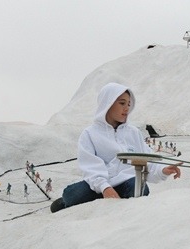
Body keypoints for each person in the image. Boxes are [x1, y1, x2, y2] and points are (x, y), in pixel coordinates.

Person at [50, 82, 181, 213]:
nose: (127, 108)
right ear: (108, 103)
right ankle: (65, 202)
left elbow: (146, 160)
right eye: (122, 103)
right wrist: (105, 188)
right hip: (99, 185)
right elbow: (90, 166)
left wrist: (163, 170)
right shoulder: (90, 134)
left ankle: (117, 203)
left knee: (140, 187)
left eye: (129, 104)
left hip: (126, 182)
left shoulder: (133, 132)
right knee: (71, 193)